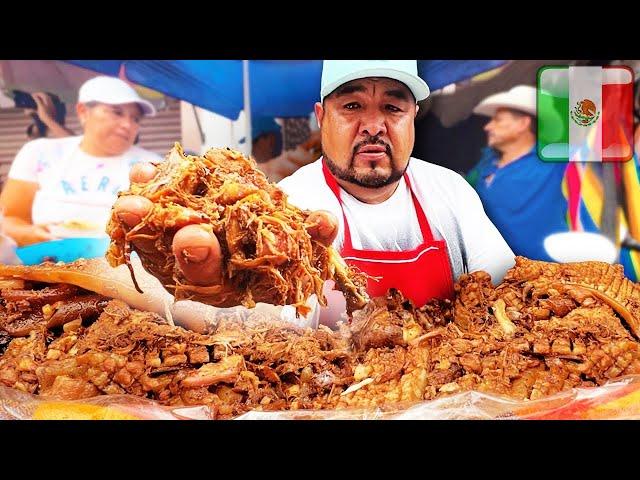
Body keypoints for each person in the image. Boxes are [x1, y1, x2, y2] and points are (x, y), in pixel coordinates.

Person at [114, 60, 514, 321]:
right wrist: (214, 301)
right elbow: (268, 323)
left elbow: (506, 288)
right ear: (322, 118)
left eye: (392, 108)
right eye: (352, 106)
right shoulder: (289, 207)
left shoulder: (450, 191)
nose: (374, 125)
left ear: (413, 118)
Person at [0, 76, 161, 247]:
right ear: (83, 112)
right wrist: (30, 235)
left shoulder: (151, 166)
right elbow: (10, 219)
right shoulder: (40, 153)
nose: (128, 125)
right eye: (117, 112)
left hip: (120, 271)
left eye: (136, 119)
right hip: (46, 264)